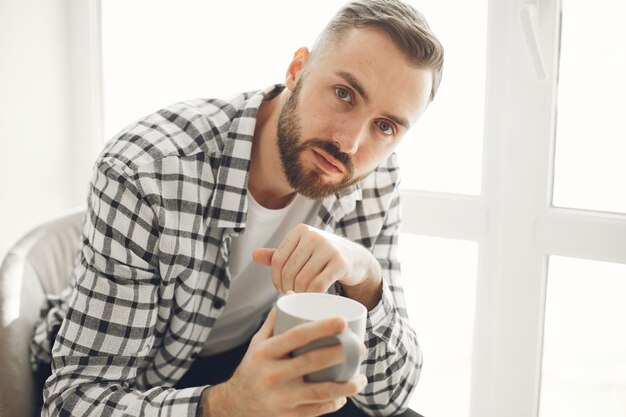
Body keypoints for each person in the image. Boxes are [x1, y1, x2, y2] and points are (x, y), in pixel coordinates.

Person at [30, 0, 444, 416]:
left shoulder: (376, 177)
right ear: (296, 69)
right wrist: (228, 404)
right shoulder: (146, 172)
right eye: (344, 94)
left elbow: (390, 396)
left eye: (385, 126)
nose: (351, 142)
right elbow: (72, 401)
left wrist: (366, 275)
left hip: (244, 355)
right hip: (140, 374)